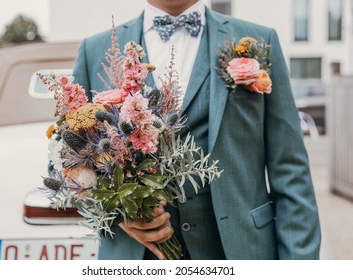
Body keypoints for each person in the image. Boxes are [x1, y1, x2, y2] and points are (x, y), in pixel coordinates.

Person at [72, 0, 322, 260]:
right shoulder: (96, 51)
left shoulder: (259, 40)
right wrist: (120, 214)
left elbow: (290, 169)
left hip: (241, 251)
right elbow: (67, 167)